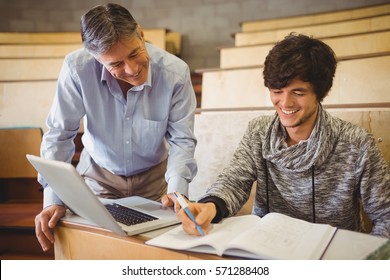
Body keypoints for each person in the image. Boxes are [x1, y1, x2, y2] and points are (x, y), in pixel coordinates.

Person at [178, 33, 390, 238]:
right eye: (277, 91)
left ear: (321, 93)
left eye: (298, 93)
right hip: (267, 250)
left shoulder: (356, 142)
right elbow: (234, 181)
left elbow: (386, 215)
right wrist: (210, 206)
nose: (286, 103)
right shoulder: (258, 132)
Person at [35, 3, 197, 251]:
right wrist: (53, 199)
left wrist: (177, 190)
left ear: (141, 34)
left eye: (134, 53)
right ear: (95, 57)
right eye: (115, 64)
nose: (132, 70)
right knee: (99, 252)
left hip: (155, 181)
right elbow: (59, 136)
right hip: (98, 178)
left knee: (153, 254)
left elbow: (181, 140)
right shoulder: (76, 69)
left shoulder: (175, 72)